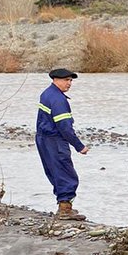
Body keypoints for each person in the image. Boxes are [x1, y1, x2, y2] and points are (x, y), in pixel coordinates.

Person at [35, 68, 90, 221]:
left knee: (54, 172)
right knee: (67, 174)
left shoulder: (47, 93)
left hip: (42, 138)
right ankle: (65, 210)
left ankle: (63, 206)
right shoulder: (59, 100)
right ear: (55, 80)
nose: (69, 83)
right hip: (55, 140)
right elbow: (65, 127)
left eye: (71, 80)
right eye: (66, 80)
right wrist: (80, 146)